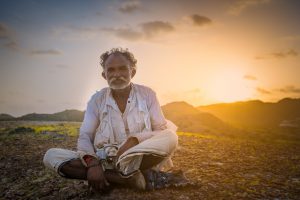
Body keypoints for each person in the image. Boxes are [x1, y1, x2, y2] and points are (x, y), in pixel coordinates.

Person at [43, 48, 180, 193]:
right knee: (50, 156)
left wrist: (134, 140)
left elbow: (160, 130)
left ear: (132, 72)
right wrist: (92, 164)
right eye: (111, 70)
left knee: (171, 136)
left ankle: (115, 177)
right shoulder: (96, 100)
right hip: (105, 160)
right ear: (104, 75)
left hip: (138, 157)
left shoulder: (147, 94)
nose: (117, 74)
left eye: (122, 69)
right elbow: (85, 135)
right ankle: (126, 179)